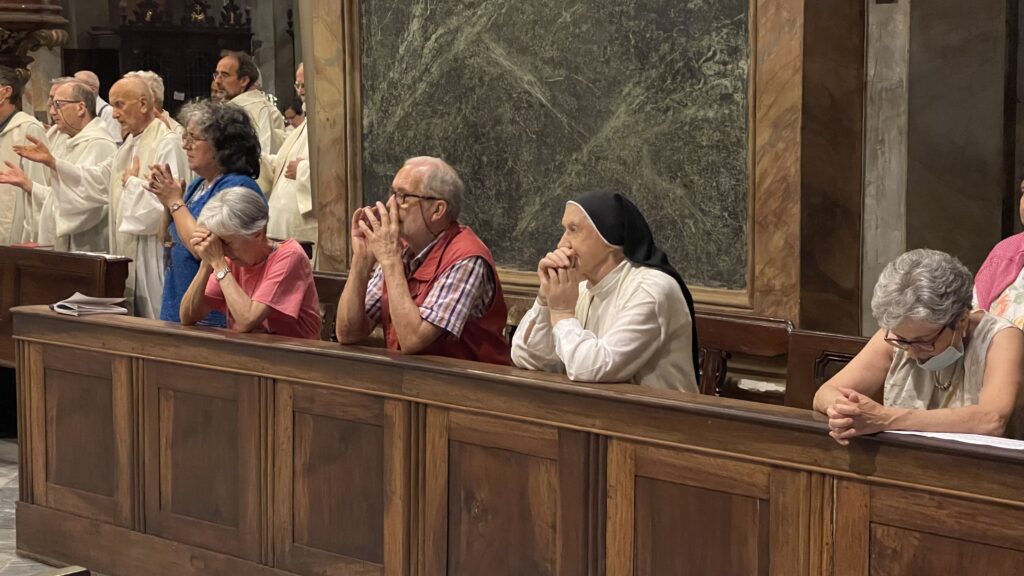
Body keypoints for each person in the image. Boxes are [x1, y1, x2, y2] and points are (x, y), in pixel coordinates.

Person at [13, 75, 188, 318]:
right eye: (113, 105)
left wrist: (132, 184)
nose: (113, 114)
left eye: (119, 105)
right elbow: (98, 180)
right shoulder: (128, 145)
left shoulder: (167, 143)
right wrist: (54, 163)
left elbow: (168, 203)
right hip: (131, 253)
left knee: (157, 318)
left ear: (143, 104)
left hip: (154, 253)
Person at [813, 249, 1024, 444]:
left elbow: (991, 420)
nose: (912, 352)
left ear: (961, 319)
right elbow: (825, 393)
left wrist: (886, 418)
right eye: (902, 340)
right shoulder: (899, 336)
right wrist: (846, 412)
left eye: (924, 340)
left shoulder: (1001, 338)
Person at [511, 192, 699, 392]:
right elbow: (526, 357)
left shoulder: (651, 289)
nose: (561, 244)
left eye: (573, 230)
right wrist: (544, 300)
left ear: (608, 236)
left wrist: (562, 313)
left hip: (659, 411)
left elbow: (591, 369)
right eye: (564, 230)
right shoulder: (580, 288)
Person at [335, 156, 510, 363]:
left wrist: (390, 261)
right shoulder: (400, 250)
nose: (390, 205)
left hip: (468, 381)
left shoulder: (467, 258)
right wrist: (361, 262)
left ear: (437, 210)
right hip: (410, 378)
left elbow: (413, 341)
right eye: (393, 193)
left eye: (403, 197)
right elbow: (348, 333)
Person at [146, 100, 263, 325]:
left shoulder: (237, 187)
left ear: (222, 145)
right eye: (185, 137)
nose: (185, 145)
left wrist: (175, 202)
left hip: (210, 317)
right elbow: (167, 240)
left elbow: (204, 249)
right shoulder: (198, 185)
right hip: (178, 304)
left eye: (194, 138)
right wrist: (167, 202)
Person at [179, 186, 321, 339]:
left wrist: (218, 263)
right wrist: (207, 262)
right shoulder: (229, 260)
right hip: (249, 350)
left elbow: (247, 320)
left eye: (226, 242)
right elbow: (188, 317)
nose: (222, 250)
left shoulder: (290, 255)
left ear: (257, 234)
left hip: (295, 352)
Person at [0, 80, 117, 251]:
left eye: (58, 105)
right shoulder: (63, 140)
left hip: (86, 246)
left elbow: (83, 202)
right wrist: (28, 185)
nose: (52, 111)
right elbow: (56, 196)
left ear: (80, 108)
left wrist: (54, 163)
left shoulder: (99, 144)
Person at [262, 63, 315, 247]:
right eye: (297, 85)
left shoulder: (328, 121)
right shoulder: (305, 125)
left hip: (304, 229)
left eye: (304, 85)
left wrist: (301, 169)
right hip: (282, 228)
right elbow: (281, 164)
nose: (300, 91)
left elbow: (336, 171)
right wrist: (256, 157)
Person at [0, 66, 50, 245]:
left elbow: (38, 188)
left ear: (5, 92)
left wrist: (35, 239)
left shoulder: (28, 129)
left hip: (17, 235)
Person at [213, 51, 285, 154]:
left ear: (244, 80)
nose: (217, 81)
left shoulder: (259, 110)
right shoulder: (225, 108)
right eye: (216, 74)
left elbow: (263, 155)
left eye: (225, 75)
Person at [125, 70, 184, 136]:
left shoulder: (176, 131)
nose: (126, 101)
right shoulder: (129, 127)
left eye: (132, 94)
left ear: (151, 96)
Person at [73, 70, 122, 145]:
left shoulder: (108, 112)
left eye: (77, 87)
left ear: (92, 89)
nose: (73, 91)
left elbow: (116, 143)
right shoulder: (77, 110)